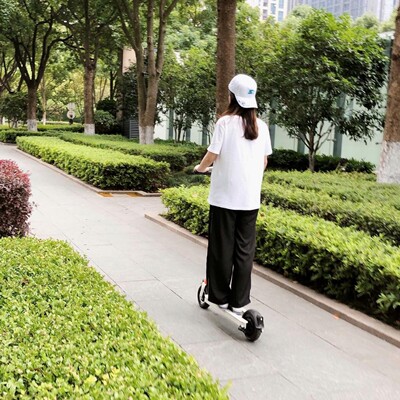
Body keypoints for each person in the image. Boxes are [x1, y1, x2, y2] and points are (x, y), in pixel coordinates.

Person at [194, 74, 272, 314]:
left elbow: (212, 155)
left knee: (222, 248)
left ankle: (219, 296)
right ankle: (240, 300)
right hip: (250, 200)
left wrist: (200, 168)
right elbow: (264, 162)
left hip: (225, 198)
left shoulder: (225, 123)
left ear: (232, 97)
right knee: (244, 251)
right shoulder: (262, 126)